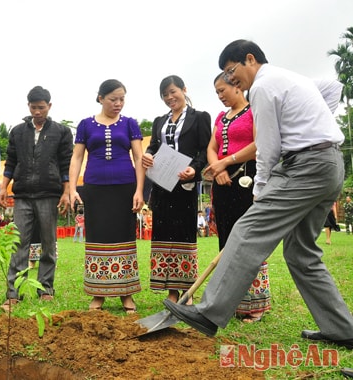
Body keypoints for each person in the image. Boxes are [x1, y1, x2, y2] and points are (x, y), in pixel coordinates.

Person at [164, 40, 353, 351]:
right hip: (329, 165)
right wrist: (312, 126)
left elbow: (268, 146)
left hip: (305, 168)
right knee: (301, 253)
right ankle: (342, 329)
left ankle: (209, 313)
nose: (229, 79)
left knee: (247, 231)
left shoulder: (263, 87)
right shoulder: (291, 78)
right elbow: (332, 88)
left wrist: (260, 188)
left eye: (230, 71)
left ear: (249, 59)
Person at [69, 79, 144, 313]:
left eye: (122, 99)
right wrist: (72, 189)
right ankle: (98, 294)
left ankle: (126, 293)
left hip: (125, 188)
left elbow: (140, 158)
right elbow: (77, 158)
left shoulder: (130, 124)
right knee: (97, 238)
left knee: (124, 238)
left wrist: (140, 190)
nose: (118, 103)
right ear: (100, 98)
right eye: (113, 99)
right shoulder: (85, 125)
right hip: (95, 188)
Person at [0, 86, 73, 311]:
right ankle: (14, 292)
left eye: (41, 107)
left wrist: (66, 192)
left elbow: (65, 163)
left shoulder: (61, 132)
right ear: (28, 106)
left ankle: (45, 289)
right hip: (22, 195)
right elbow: (11, 161)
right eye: (33, 107)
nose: (37, 111)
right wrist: (3, 187)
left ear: (49, 106)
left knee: (48, 244)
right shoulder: (18, 131)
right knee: (18, 243)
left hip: (49, 194)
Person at [204, 72, 271, 323]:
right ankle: (230, 302)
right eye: (217, 93)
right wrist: (218, 168)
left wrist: (224, 163)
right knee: (227, 240)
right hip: (223, 183)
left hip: (248, 180)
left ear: (237, 87)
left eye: (223, 90)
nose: (220, 96)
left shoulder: (255, 111)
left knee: (248, 240)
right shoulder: (221, 117)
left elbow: (259, 145)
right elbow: (211, 147)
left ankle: (255, 303)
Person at [141, 75, 211, 304]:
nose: (170, 97)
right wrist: (149, 156)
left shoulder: (199, 118)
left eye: (173, 92)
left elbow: (203, 149)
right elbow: (153, 147)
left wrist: (194, 168)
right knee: (163, 234)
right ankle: (170, 290)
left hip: (185, 185)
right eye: (165, 94)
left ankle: (187, 291)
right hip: (162, 186)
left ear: (184, 89)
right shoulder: (160, 121)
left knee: (184, 234)